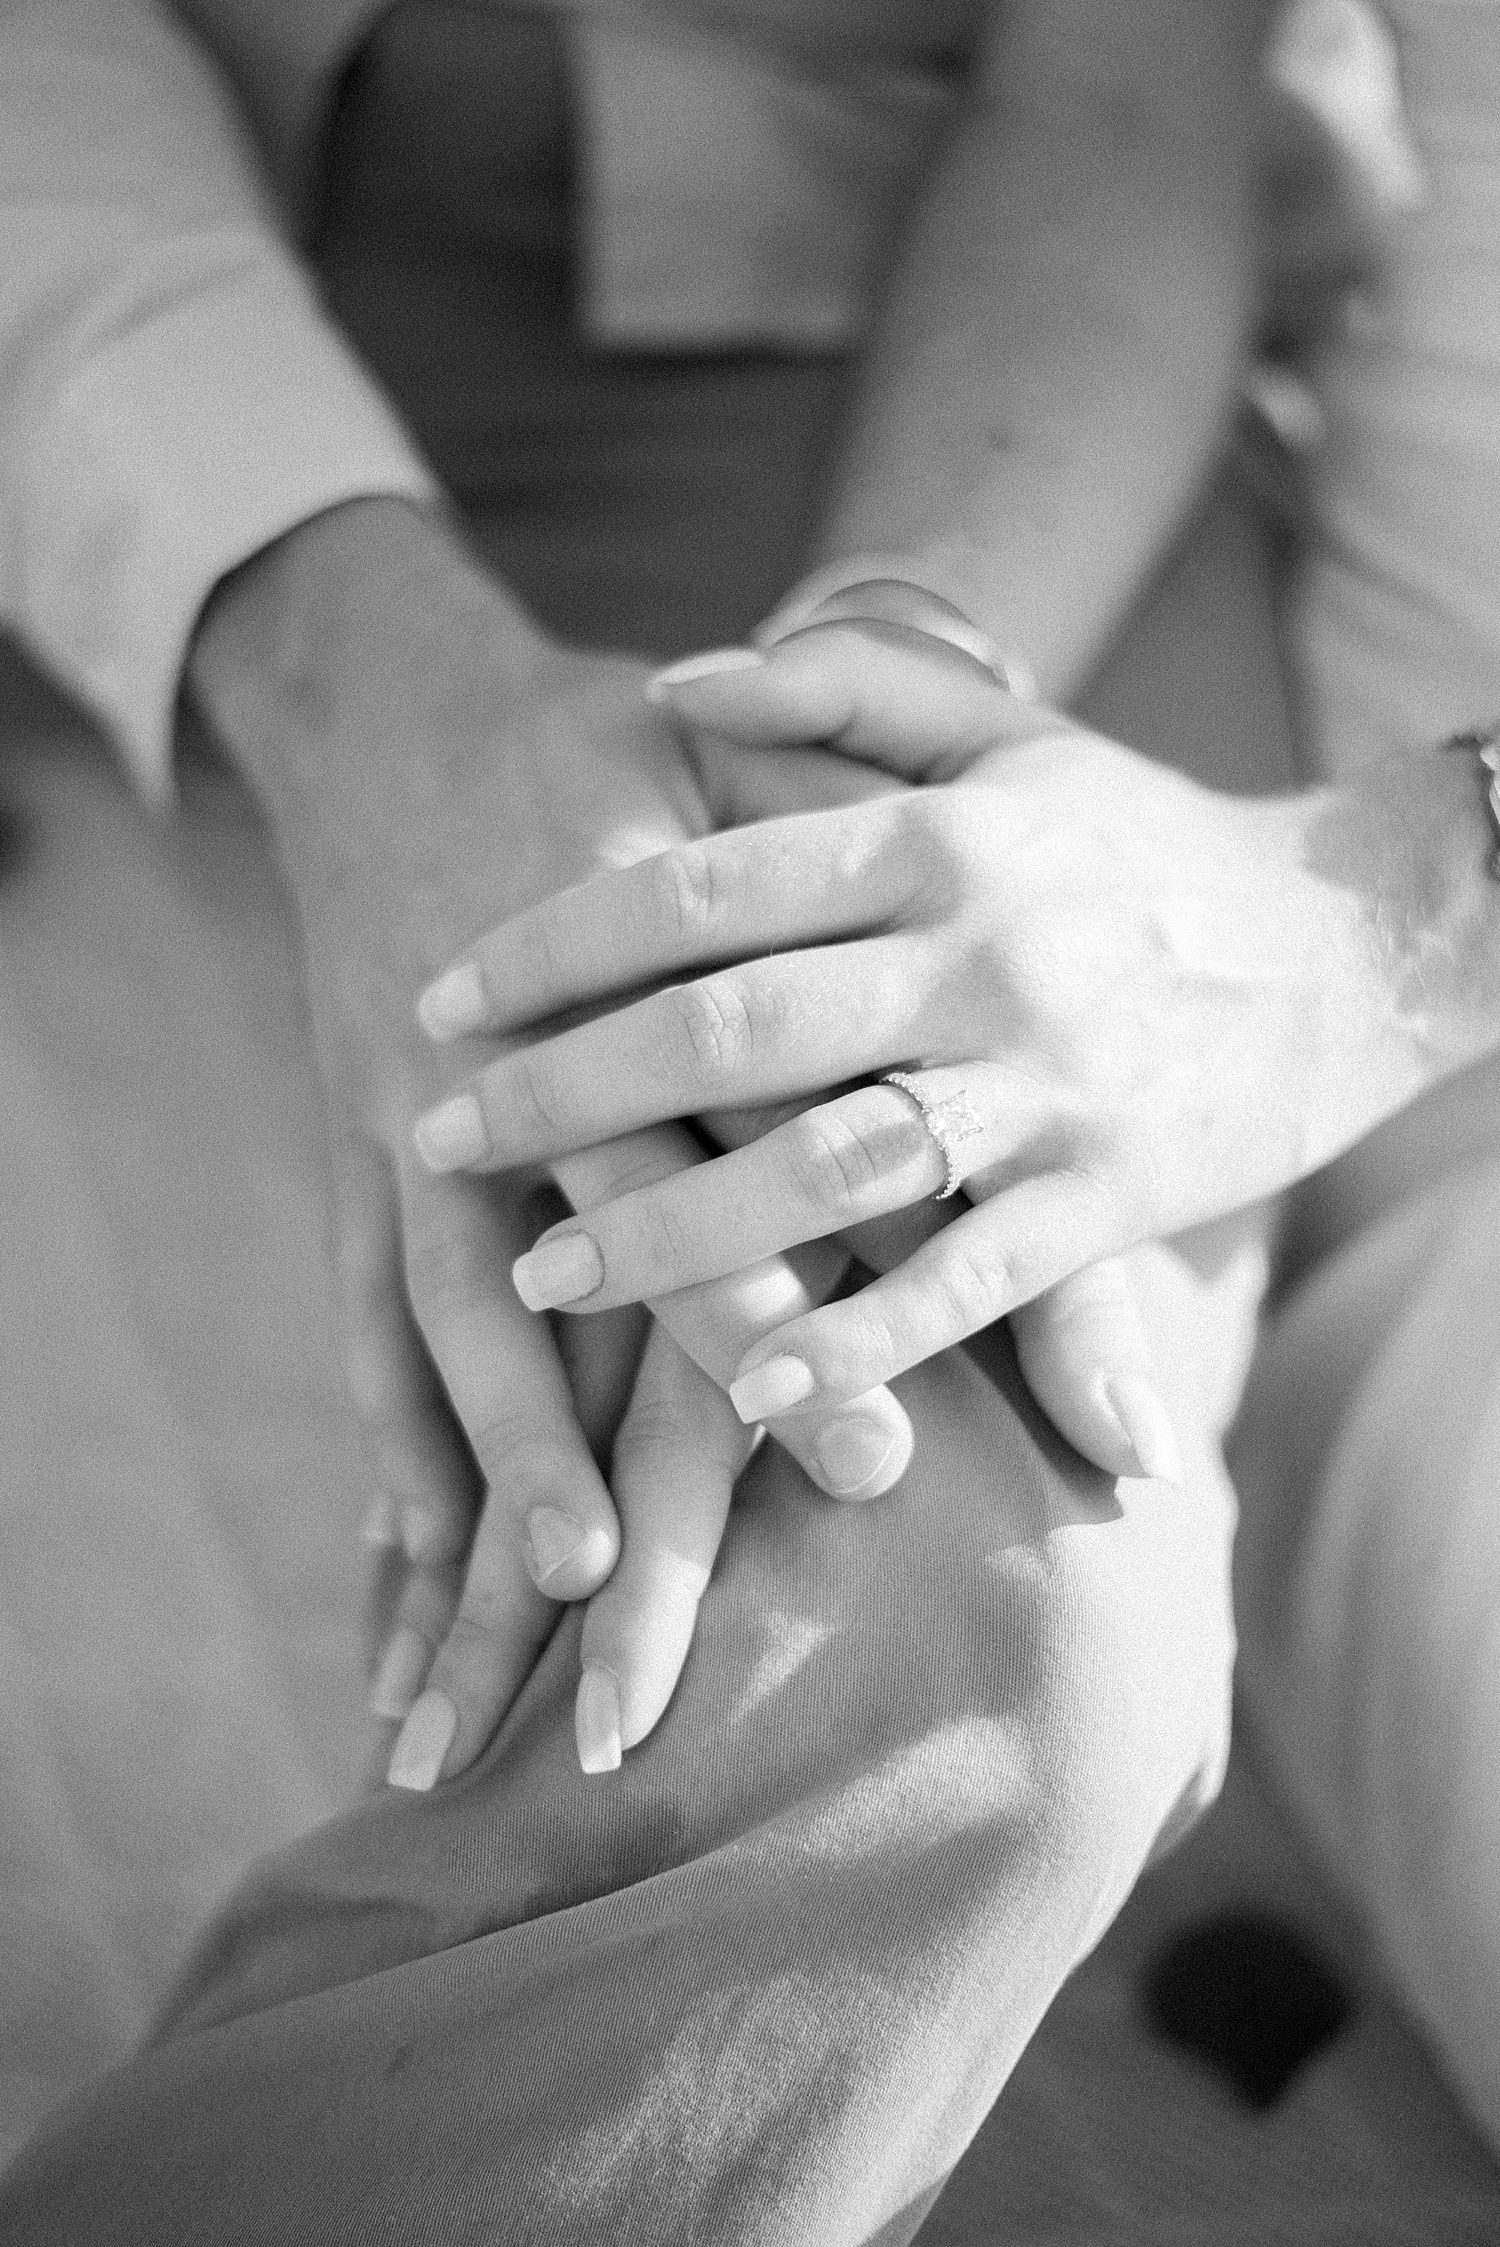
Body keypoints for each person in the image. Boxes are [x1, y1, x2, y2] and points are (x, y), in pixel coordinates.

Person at [0, 1, 1471, 2242]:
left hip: (946, 369)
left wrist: (882, 697)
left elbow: (1120, 80)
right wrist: (347, 658)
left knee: (984, 1631)